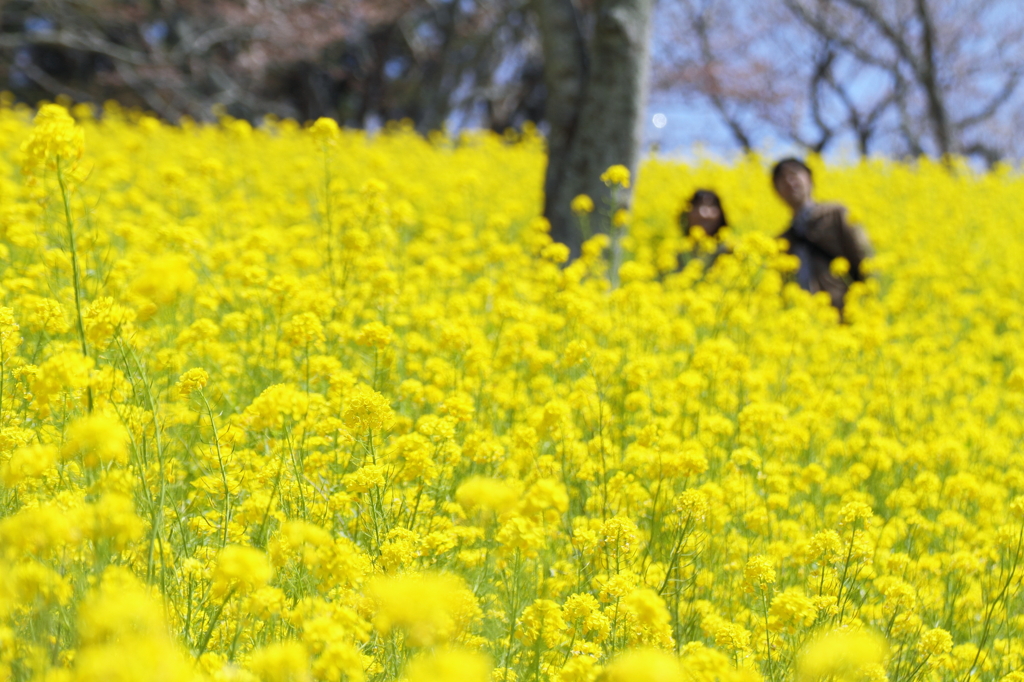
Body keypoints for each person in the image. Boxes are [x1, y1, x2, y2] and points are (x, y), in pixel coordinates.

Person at [772, 157, 872, 312]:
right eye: (782, 179)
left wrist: (868, 301)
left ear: (810, 179)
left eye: (794, 174)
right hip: (803, 320)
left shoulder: (836, 214)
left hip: (843, 311)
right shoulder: (782, 239)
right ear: (777, 192)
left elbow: (864, 258)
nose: (789, 182)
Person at [678, 189, 730, 271]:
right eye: (701, 206)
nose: (707, 215)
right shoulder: (678, 254)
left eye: (713, 206)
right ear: (688, 211)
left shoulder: (729, 251)